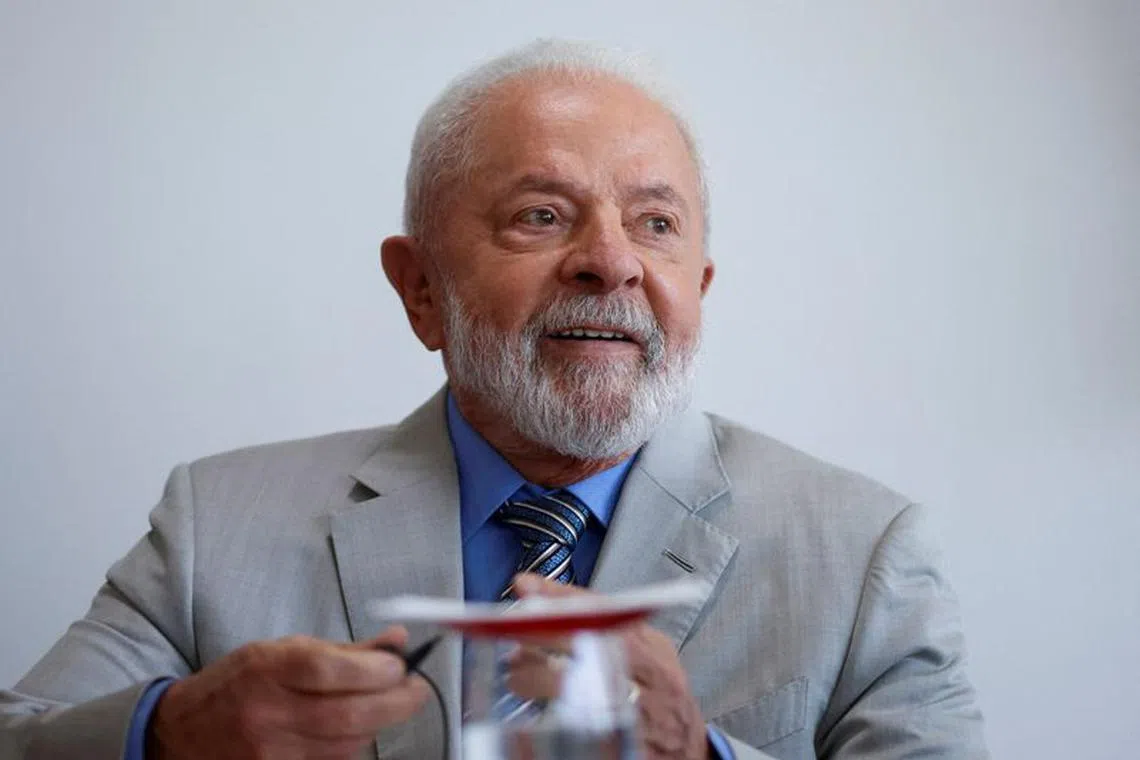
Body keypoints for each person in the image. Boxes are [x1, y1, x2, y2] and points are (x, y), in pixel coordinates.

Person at [0, 40, 988, 760]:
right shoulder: (216, 524)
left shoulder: (866, 555)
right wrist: (164, 736)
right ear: (420, 287)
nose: (611, 262)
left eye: (655, 222)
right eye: (542, 215)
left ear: (703, 286)